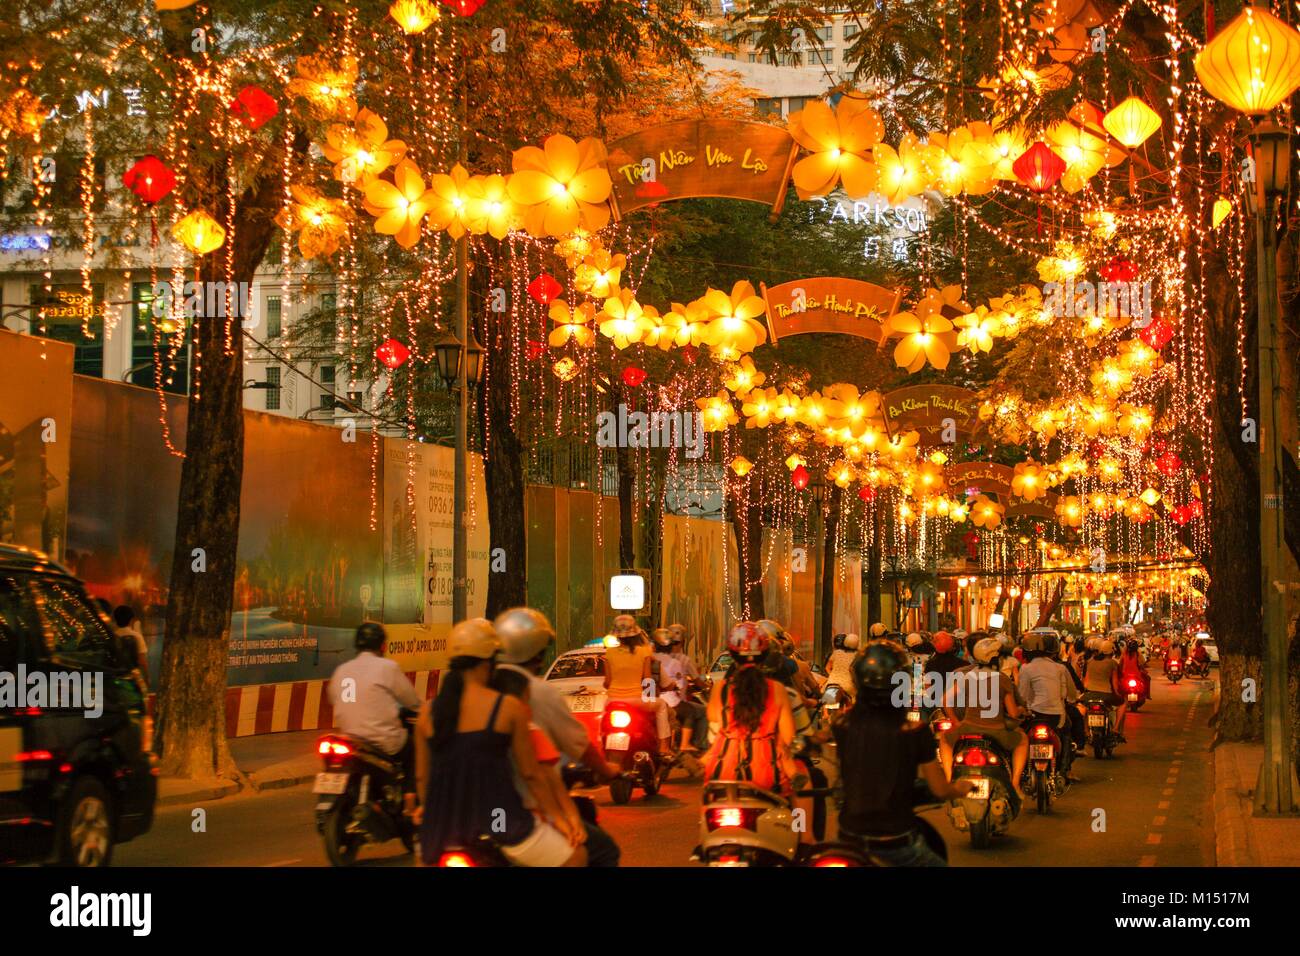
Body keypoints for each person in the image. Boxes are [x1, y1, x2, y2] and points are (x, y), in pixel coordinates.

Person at [415, 618, 586, 867]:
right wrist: (559, 819)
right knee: (576, 857)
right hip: (501, 822)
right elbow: (531, 774)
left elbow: (422, 778)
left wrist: (431, 814)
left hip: (439, 831)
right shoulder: (507, 707)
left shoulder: (426, 714)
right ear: (489, 662)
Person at [494, 607, 621, 866]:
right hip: (521, 814)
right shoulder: (534, 698)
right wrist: (605, 771)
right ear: (538, 654)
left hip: (473, 813)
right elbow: (540, 775)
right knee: (602, 851)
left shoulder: (472, 694)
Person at [834, 639, 974, 866]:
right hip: (896, 843)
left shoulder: (841, 725)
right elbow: (939, 789)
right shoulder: (915, 732)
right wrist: (958, 788)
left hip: (848, 838)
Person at [328, 622, 422, 803]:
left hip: (351, 740)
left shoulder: (343, 670)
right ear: (382, 645)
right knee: (413, 749)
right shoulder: (387, 667)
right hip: (382, 741)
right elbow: (412, 702)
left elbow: (338, 699)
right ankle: (410, 799)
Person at [704, 622, 800, 796]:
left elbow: (713, 720)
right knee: (799, 797)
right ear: (764, 655)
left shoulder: (721, 688)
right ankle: (800, 825)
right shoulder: (777, 689)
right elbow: (788, 737)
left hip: (723, 773)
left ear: (732, 655)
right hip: (768, 776)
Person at [939, 636, 1028, 798]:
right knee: (1022, 739)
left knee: (944, 739)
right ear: (995, 658)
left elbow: (945, 700)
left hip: (967, 728)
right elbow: (1013, 713)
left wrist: (955, 722)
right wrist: (1022, 709)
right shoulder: (1002, 679)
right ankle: (1015, 784)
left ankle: (948, 779)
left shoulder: (967, 677)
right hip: (996, 732)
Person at [603, 614, 673, 758]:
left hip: (612, 701)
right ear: (635, 633)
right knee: (661, 706)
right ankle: (664, 748)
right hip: (636, 700)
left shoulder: (609, 653)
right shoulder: (644, 652)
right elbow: (647, 679)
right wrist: (651, 696)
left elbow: (607, 682)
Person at [1081, 639, 1127, 740]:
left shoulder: (1090, 662)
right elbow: (1115, 683)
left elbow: (1086, 681)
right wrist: (1119, 694)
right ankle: (1115, 729)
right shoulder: (1112, 663)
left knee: (1084, 709)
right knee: (1123, 703)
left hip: (1090, 694)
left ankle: (1086, 731)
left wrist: (1084, 692)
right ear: (1112, 651)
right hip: (1106, 694)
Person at [112, 605, 149, 678]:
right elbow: (142, 661)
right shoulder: (137, 636)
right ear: (131, 620)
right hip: (132, 677)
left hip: (116, 676)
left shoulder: (112, 636)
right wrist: (147, 678)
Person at [823, 632, 860, 706]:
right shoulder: (858, 655)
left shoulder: (836, 652)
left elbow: (827, 668)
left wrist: (833, 676)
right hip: (849, 687)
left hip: (832, 683)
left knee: (825, 702)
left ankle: (825, 715)